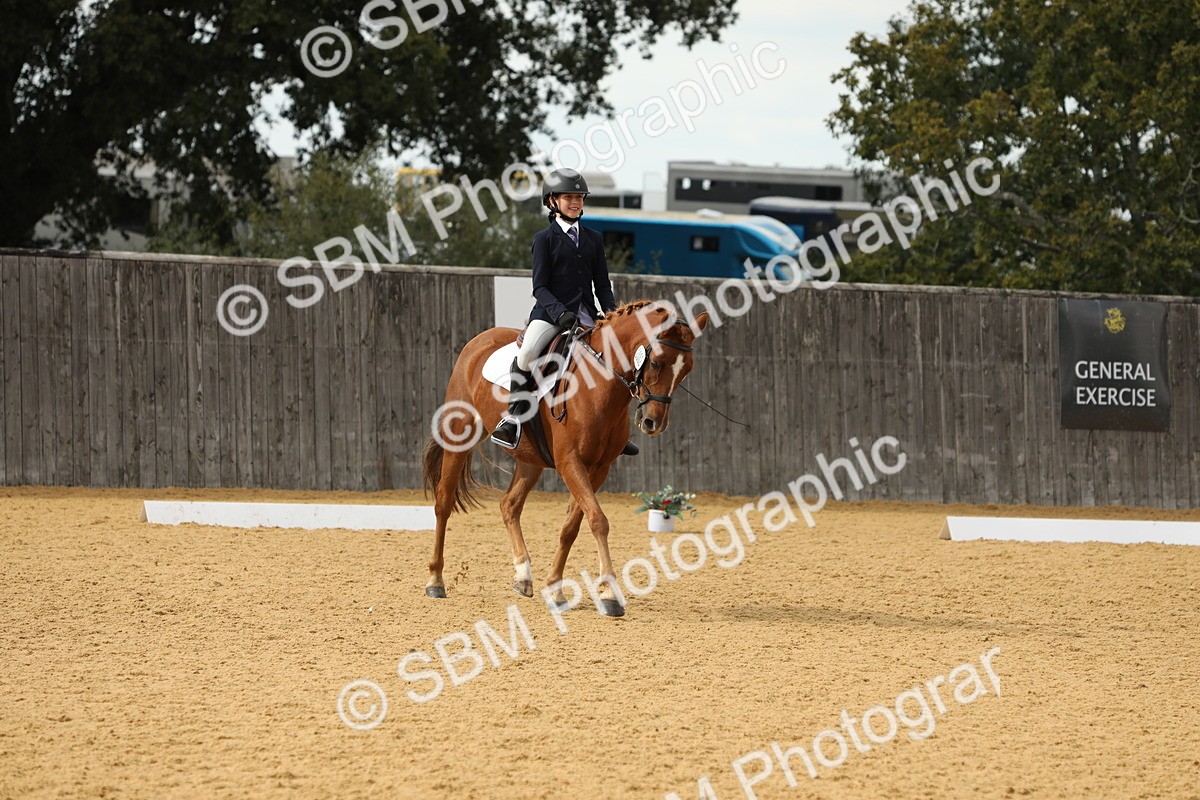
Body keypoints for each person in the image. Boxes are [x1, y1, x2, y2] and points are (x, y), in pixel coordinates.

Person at [491, 168, 638, 456]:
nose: (575, 202)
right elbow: (540, 287)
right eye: (569, 197)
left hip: (587, 315)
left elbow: (602, 284)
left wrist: (611, 315)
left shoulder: (594, 239)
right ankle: (513, 417)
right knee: (527, 354)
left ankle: (615, 430)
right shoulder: (544, 239)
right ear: (552, 201)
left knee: (617, 359)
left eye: (579, 197)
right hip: (550, 316)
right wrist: (560, 313)